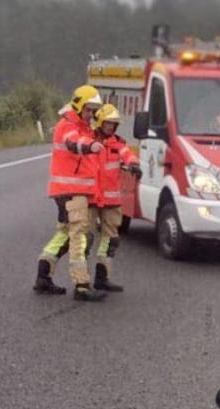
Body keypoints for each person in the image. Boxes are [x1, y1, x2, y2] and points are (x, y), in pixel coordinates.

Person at [36, 84, 106, 302]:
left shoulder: (83, 126)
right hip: (71, 192)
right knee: (79, 236)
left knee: (64, 234)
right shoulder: (68, 125)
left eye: (94, 110)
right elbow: (73, 142)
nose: (91, 114)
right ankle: (82, 285)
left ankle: (43, 276)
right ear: (78, 106)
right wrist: (91, 146)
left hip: (71, 192)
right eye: (89, 109)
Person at [90, 103, 139, 294]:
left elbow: (127, 155)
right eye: (108, 123)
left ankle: (102, 278)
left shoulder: (118, 144)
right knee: (83, 239)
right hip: (91, 199)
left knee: (110, 240)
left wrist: (134, 164)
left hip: (110, 201)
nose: (111, 127)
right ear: (100, 122)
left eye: (113, 124)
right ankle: (81, 281)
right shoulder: (88, 141)